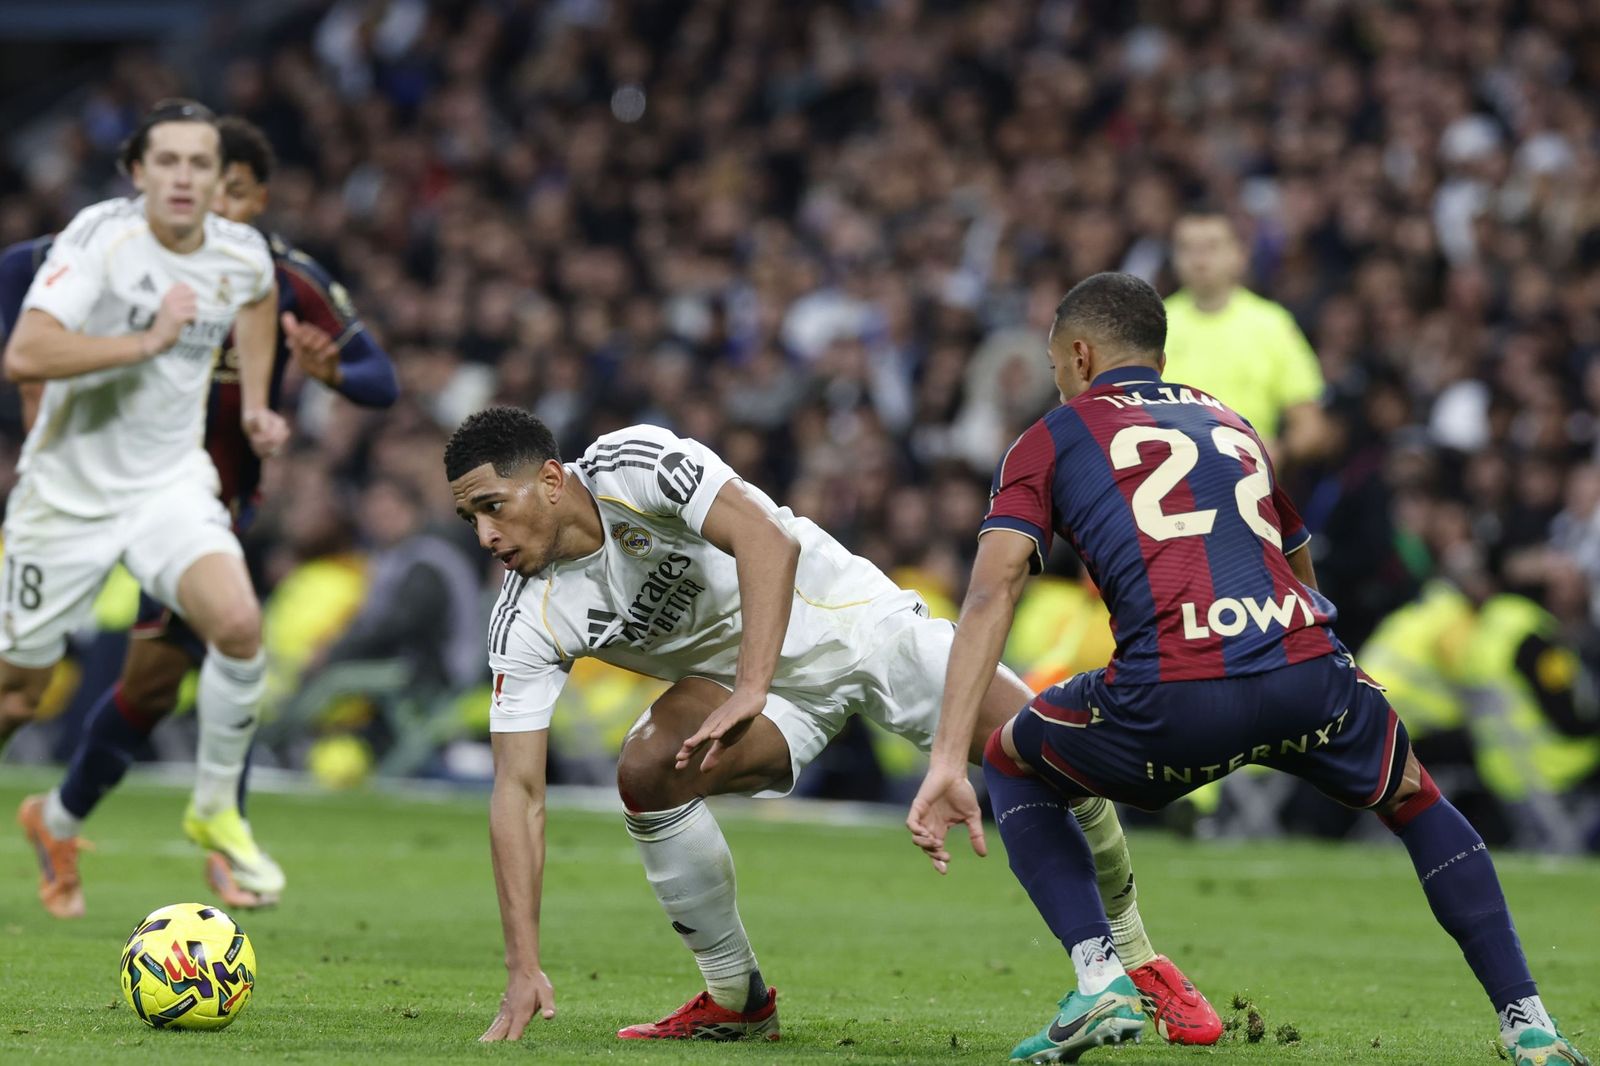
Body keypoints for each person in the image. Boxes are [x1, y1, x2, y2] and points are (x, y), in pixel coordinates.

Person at [905, 272, 1588, 1066]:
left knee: (1012, 758)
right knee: (1414, 796)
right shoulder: (1228, 420)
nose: (1060, 382)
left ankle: (1100, 978)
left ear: (1082, 356)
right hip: (1305, 669)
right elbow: (1294, 553)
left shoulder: (1050, 438)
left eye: (1059, 366)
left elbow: (992, 589)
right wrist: (1314, 660)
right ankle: (1528, 1023)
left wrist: (947, 756)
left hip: (1173, 697)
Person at [444, 407, 1222, 1045]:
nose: (485, 535)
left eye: (491, 506)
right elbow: (517, 792)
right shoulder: (525, 618)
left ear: (551, 481)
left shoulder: (630, 463)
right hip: (759, 691)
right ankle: (736, 997)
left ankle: (1138, 955)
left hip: (852, 620)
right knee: (647, 772)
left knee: (1050, 749)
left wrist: (751, 685)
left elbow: (767, 539)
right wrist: (523, 963)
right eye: (469, 517)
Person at [3, 107, 382, 919]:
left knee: (238, 629)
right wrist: (146, 341)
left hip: (172, 486)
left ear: (220, 182)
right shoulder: (95, 242)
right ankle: (62, 819)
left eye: (199, 165)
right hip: (68, 492)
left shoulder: (245, 253)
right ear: (137, 172)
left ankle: (217, 813)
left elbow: (251, 303)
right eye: (165, 161)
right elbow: (25, 353)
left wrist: (253, 409)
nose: (183, 177)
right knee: (17, 694)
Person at [1163, 209, 1331, 467]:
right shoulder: (1154, 325)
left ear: (1239, 255)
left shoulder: (1272, 324)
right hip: (1168, 477)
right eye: (1187, 248)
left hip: (1247, 480)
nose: (1199, 259)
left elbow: (1310, 424)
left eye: (1212, 246)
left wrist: (1278, 451)